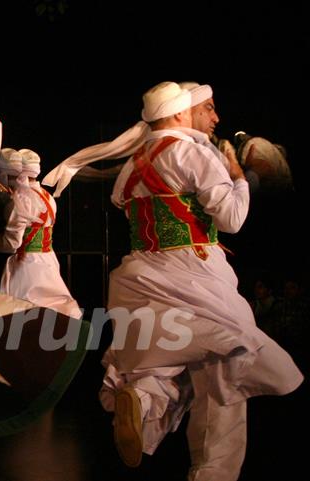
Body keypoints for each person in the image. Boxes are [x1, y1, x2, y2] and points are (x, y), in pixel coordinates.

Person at [47, 81, 303, 480]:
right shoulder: (193, 153)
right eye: (209, 108)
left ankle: (143, 402)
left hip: (140, 277)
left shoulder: (133, 164)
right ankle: (214, 472)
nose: (216, 118)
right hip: (195, 272)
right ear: (184, 111)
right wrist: (241, 176)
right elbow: (231, 219)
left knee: (168, 359)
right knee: (228, 365)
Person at [0, 148, 82, 319]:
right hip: (48, 260)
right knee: (53, 310)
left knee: (26, 313)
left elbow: (11, 244)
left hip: (27, 266)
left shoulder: (20, 200)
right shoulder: (47, 197)